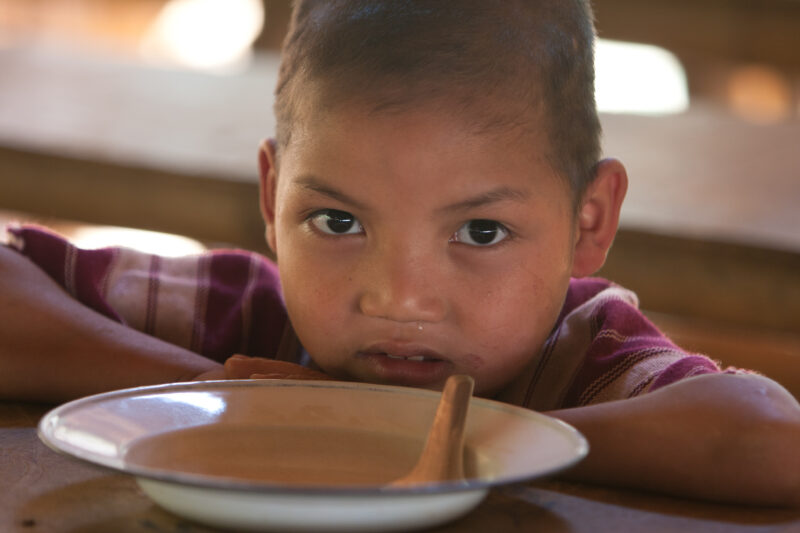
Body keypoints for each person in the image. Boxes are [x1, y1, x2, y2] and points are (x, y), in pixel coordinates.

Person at [1, 0, 798, 507]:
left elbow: (770, 436)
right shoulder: (252, 313)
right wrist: (218, 397)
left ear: (589, 218)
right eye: (339, 221)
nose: (398, 297)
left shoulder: (585, 350)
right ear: (275, 197)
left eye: (480, 233)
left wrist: (487, 440)